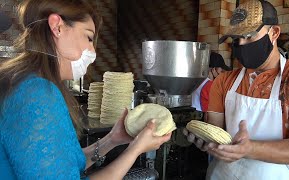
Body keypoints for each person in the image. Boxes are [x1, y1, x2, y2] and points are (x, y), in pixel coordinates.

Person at [0, 0, 171, 179]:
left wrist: (113, 139)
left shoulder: (21, 80)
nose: (93, 52)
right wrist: (135, 150)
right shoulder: (36, 92)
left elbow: (60, 164)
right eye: (89, 38)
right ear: (57, 27)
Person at [184, 0, 289, 179]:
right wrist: (206, 141)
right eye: (236, 38)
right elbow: (216, 133)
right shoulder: (224, 81)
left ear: (274, 33)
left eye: (248, 36)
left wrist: (250, 149)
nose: (241, 44)